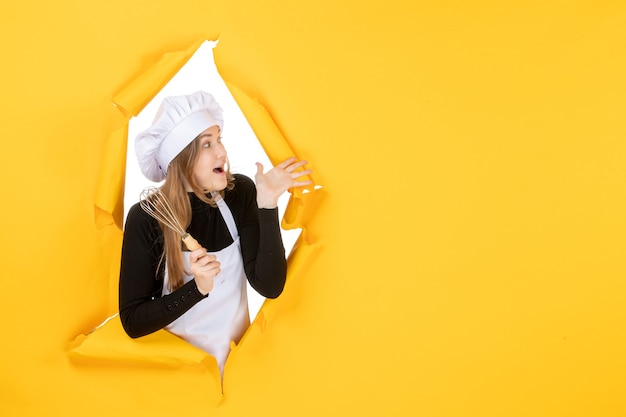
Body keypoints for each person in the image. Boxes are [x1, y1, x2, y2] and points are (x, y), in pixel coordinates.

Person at [118, 91, 312, 373]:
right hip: (178, 375)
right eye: (206, 144)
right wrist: (196, 289)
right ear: (180, 157)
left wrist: (267, 204)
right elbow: (133, 322)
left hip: (238, 371)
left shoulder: (240, 193)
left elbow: (270, 286)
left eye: (218, 138)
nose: (222, 151)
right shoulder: (146, 218)